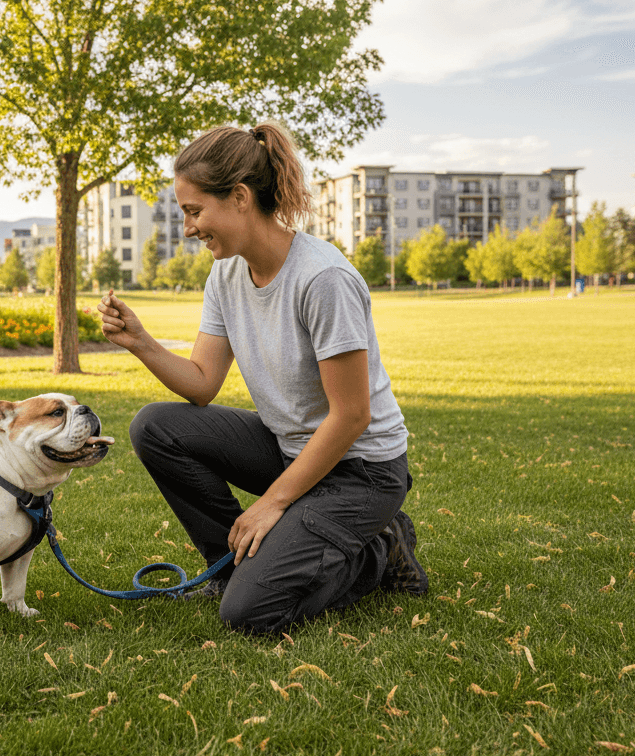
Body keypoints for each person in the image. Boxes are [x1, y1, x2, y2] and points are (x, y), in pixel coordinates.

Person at [97, 123, 427, 635]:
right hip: (291, 449)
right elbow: (203, 382)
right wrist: (140, 342)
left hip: (362, 471)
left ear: (240, 197)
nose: (187, 228)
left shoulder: (324, 279)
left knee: (251, 614)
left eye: (194, 211)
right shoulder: (226, 274)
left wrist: (271, 504)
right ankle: (228, 570)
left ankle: (380, 548)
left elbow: (351, 415)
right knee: (156, 427)